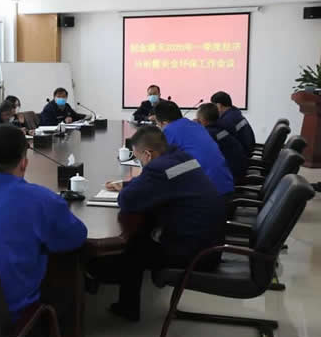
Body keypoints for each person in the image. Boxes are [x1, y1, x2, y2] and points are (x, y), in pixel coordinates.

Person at [0, 124, 87, 324]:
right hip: (9, 314)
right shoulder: (41, 199)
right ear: (24, 163)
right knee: (65, 277)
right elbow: (76, 236)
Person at [88, 126, 224, 321]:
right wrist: (127, 184)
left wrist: (127, 189)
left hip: (196, 254)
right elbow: (162, 183)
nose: (140, 163)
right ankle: (123, 301)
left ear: (148, 154)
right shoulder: (182, 158)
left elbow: (127, 200)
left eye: (139, 159)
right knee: (141, 233)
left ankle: (98, 280)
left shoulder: (157, 169)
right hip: (211, 243)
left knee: (134, 247)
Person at [154, 100, 234, 197]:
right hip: (226, 187)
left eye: (157, 124)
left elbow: (157, 163)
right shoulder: (196, 125)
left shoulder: (169, 130)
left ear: (164, 123)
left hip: (209, 196)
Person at [196, 103, 248, 182]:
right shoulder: (221, 127)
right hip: (239, 168)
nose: (197, 119)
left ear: (203, 119)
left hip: (231, 175)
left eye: (198, 118)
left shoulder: (209, 134)